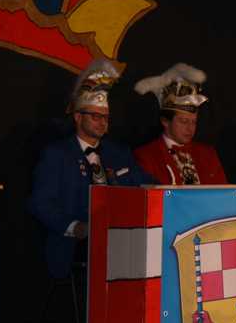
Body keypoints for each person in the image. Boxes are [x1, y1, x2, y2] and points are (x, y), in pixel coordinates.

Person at [28, 59, 151, 280]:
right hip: (75, 251)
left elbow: (147, 185)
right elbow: (40, 203)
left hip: (122, 247)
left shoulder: (119, 153)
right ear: (77, 117)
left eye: (105, 117)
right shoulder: (57, 154)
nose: (102, 122)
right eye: (95, 116)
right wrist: (75, 227)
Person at [132, 63, 227, 185]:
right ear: (165, 121)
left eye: (194, 122)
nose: (190, 128)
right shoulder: (146, 156)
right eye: (184, 121)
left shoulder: (208, 154)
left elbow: (223, 192)